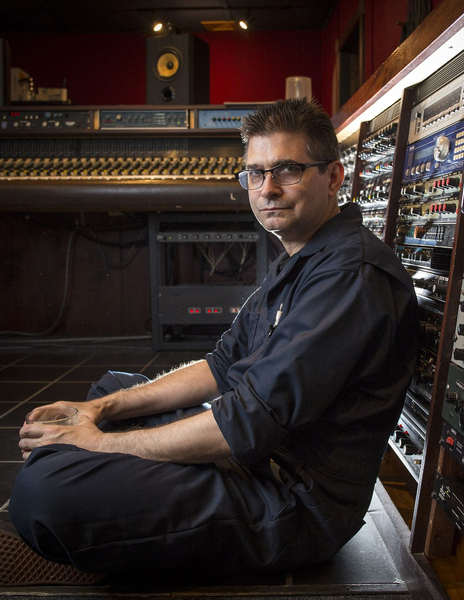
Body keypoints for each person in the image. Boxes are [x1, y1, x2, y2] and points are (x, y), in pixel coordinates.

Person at [2, 99, 418, 586]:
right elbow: (221, 367)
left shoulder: (350, 275)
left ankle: (99, 493)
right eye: (255, 173)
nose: (268, 189)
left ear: (332, 178)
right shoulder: (303, 258)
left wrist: (98, 445)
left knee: (42, 494)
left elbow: (245, 424)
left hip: (292, 502)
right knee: (108, 392)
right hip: (252, 458)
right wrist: (103, 413)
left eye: (287, 170)